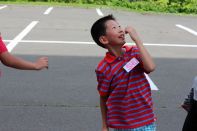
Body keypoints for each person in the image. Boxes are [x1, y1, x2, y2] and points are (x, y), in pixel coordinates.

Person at [91, 14, 156, 131]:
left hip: (146, 120)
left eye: (119, 26)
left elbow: (150, 67)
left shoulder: (134, 52)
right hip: (122, 125)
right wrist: (105, 126)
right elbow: (103, 97)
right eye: (114, 28)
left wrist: (137, 40)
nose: (121, 29)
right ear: (104, 39)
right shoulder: (103, 68)